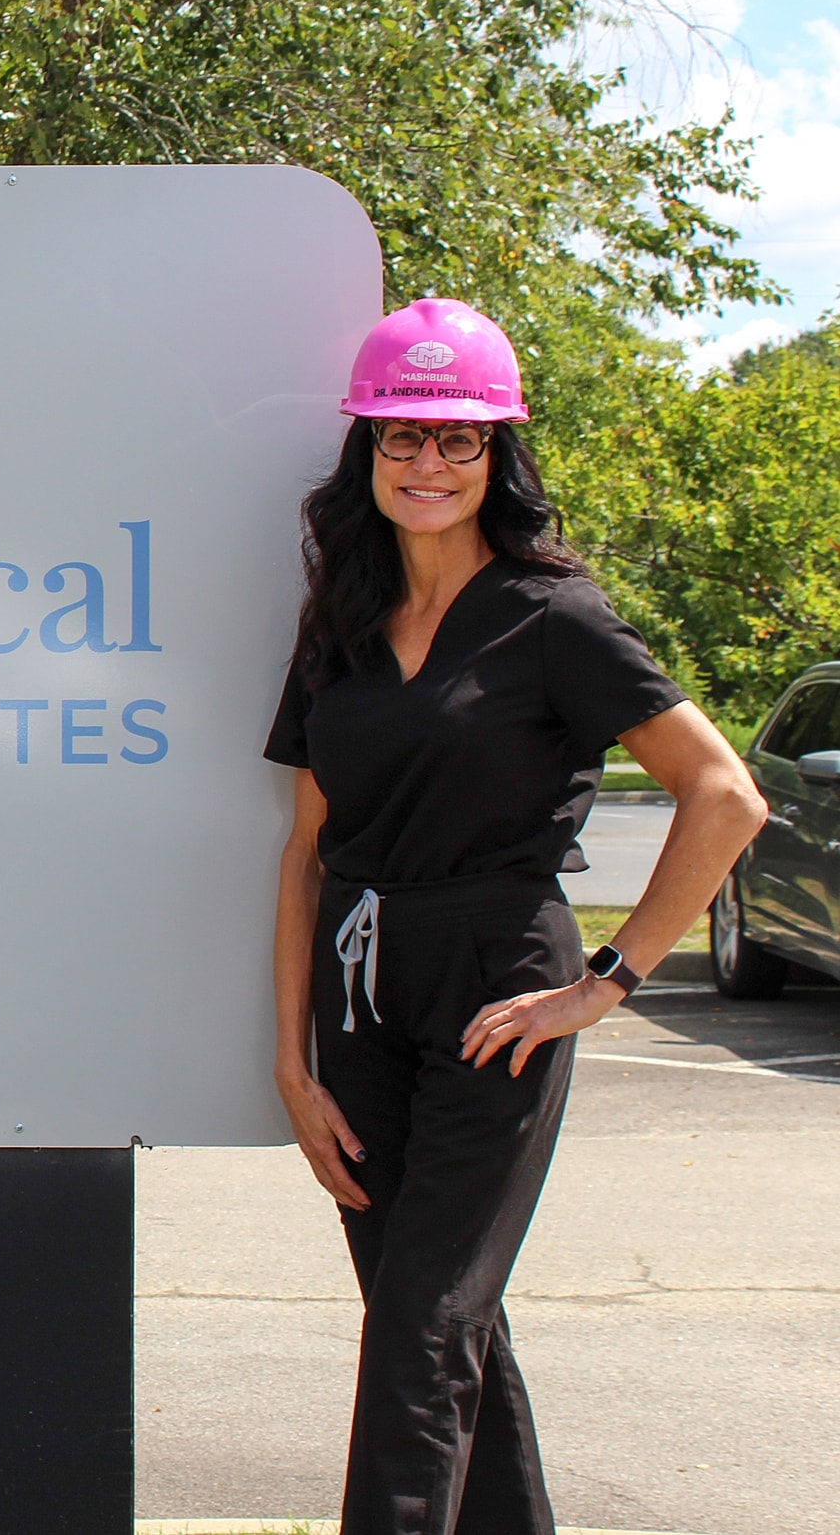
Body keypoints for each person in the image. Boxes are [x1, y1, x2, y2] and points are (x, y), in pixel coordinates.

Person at [264, 299, 766, 1533]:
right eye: (401, 435)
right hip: (357, 993)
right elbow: (305, 851)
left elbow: (723, 795)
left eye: (458, 437)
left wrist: (605, 980)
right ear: (365, 448)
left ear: (497, 454)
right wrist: (289, 1059)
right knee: (434, 1320)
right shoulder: (338, 621)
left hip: (500, 987)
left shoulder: (553, 616)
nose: (426, 461)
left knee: (422, 1327)